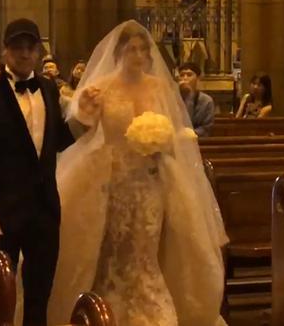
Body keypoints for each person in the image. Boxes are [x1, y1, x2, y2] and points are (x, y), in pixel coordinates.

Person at [48, 20, 227, 326]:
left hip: (150, 182)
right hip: (113, 182)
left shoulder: (158, 87)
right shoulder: (102, 87)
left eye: (143, 49)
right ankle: (108, 306)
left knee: (145, 250)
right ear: (118, 53)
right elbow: (82, 131)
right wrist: (85, 111)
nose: (138, 55)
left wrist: (163, 140)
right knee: (114, 249)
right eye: (131, 49)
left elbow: (173, 128)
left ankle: (151, 307)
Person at [0, 18, 74, 326]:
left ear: (38, 52)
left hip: (44, 209)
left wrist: (85, 121)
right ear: (5, 51)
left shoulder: (49, 89)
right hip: (3, 210)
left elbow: (55, 142)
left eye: (30, 48)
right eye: (17, 48)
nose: (24, 54)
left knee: (40, 293)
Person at [178, 62, 214, 137]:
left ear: (197, 78)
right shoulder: (173, 98)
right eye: (182, 75)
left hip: (199, 141)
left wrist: (189, 134)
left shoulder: (206, 101)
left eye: (189, 75)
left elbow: (206, 128)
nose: (185, 78)